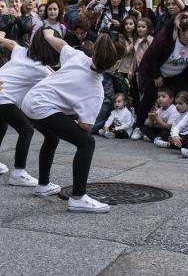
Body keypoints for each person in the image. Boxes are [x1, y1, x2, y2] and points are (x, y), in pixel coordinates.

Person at [22, 30, 123, 212]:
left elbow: (60, 44)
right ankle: (78, 197)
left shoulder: (78, 57)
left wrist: (47, 35)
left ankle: (43, 186)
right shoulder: (95, 90)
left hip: (30, 100)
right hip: (43, 107)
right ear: (115, 64)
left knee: (52, 137)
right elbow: (86, 126)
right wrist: (73, 119)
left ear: (94, 53)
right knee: (87, 143)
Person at [0, 29, 59, 184]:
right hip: (1, 97)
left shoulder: (22, 52)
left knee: (0, 124)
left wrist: (1, 37)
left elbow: (12, 43)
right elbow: (54, 76)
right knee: (26, 130)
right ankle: (19, 173)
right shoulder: (40, 70)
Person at [131, 15, 188, 141]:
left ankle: (180, 128)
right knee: (150, 96)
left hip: (179, 74)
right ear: (181, 31)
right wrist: (156, 76)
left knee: (183, 98)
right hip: (157, 72)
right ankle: (138, 127)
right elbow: (150, 58)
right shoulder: (164, 38)